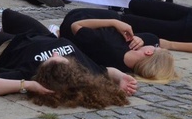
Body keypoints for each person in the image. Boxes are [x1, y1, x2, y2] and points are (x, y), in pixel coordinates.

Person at [0, 14, 137, 108]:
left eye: (51, 60)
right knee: (9, 15)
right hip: (43, 35)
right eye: (62, 58)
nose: (56, 55)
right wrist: (121, 77)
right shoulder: (82, 70)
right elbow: (107, 71)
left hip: (9, 46)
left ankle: (1, 32)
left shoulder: (31, 76)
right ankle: (3, 27)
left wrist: (29, 85)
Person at [17, 7, 179, 81]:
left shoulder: (108, 43)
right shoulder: (126, 66)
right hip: (81, 38)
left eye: (155, 48)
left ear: (149, 53)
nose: (153, 45)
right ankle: (54, 32)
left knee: (118, 16)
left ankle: (56, 31)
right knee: (129, 22)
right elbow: (151, 37)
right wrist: (141, 40)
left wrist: (113, 23)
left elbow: (76, 26)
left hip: (75, 22)